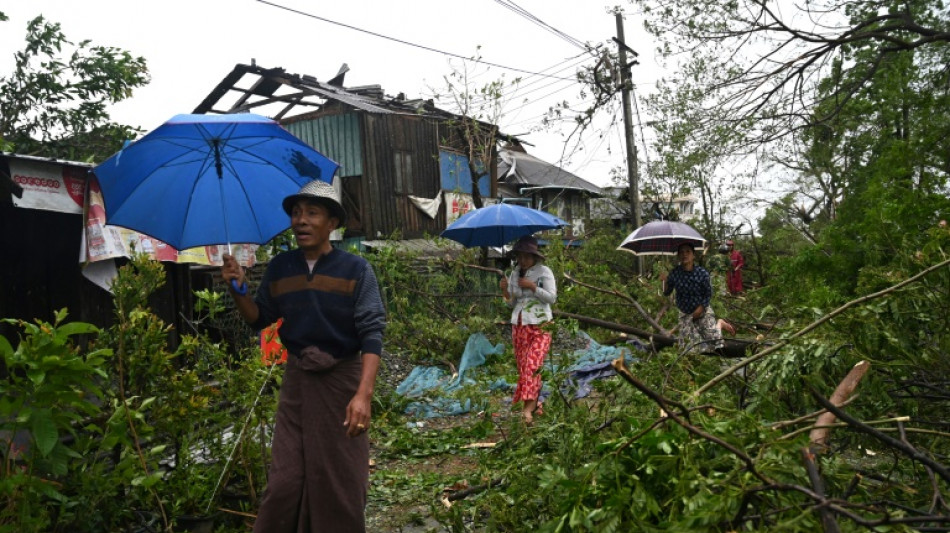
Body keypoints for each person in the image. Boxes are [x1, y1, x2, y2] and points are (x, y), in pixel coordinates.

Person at [221, 180, 386, 533]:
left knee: (341, 482)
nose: (301, 220)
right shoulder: (281, 268)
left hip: (343, 383)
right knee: (285, 482)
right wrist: (238, 289)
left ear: (332, 223)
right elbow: (259, 318)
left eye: (312, 213)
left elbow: (372, 331)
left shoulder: (356, 270)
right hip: (297, 385)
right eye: (296, 213)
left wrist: (363, 395)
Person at [499, 235, 557, 425]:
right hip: (520, 324)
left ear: (534, 257)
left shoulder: (544, 272)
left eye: (526, 257)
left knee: (533, 365)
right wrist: (505, 292)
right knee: (524, 367)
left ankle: (527, 411)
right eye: (520, 257)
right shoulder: (515, 273)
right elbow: (513, 303)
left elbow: (551, 298)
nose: (523, 261)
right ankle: (532, 405)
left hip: (540, 323)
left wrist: (533, 287)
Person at [659, 243, 730, 352]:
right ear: (678, 256)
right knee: (690, 349)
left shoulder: (702, 273)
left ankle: (719, 324)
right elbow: (666, 292)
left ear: (693, 255)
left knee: (716, 345)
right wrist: (664, 281)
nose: (684, 254)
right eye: (681, 252)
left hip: (703, 311)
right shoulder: (675, 273)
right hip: (686, 315)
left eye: (688, 252)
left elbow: (708, 293)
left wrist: (700, 308)